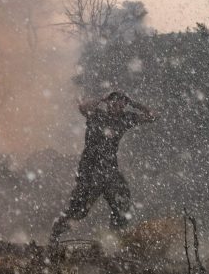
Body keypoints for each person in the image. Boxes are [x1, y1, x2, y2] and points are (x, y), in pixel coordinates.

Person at [50, 91, 156, 241]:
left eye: (121, 103)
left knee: (122, 202)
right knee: (79, 210)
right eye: (114, 102)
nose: (117, 106)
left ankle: (116, 240)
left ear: (124, 106)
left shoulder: (124, 119)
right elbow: (82, 107)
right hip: (90, 168)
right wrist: (101, 99)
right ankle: (55, 235)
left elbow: (153, 115)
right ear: (108, 103)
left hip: (110, 168)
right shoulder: (97, 115)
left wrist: (133, 103)